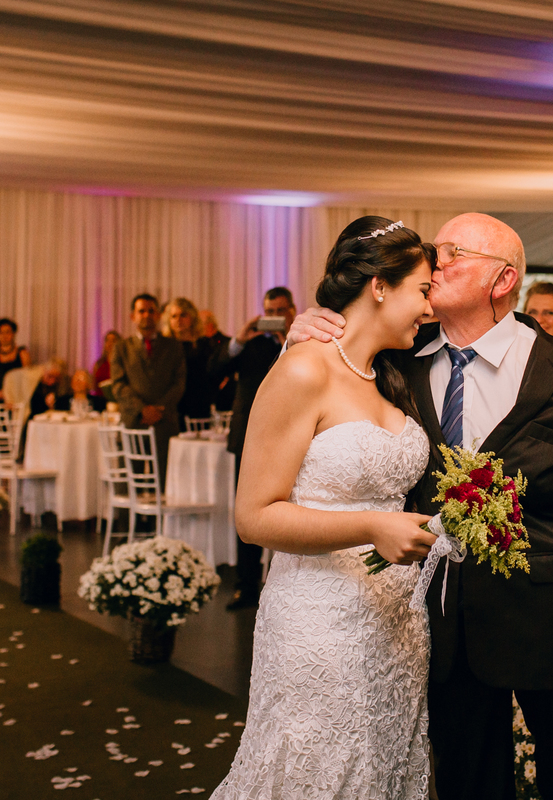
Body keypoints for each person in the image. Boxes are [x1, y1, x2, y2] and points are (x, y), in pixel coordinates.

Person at [290, 212, 553, 800]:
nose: (433, 261)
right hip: (447, 625)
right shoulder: (399, 359)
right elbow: (331, 373)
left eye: (451, 252)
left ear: (501, 280)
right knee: (468, 783)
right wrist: (309, 331)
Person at [213, 218, 438, 799]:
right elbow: (254, 516)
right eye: (422, 290)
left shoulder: (393, 373)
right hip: (319, 623)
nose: (429, 307)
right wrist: (368, 525)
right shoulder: (304, 368)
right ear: (381, 286)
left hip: (397, 627)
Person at [209, 286, 297, 611]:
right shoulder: (250, 344)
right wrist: (238, 340)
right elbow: (212, 372)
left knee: (290, 513)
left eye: (280, 311)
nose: (274, 317)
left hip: (291, 439)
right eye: (269, 312)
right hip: (248, 439)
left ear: (292, 309)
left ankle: (285, 586)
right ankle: (246, 587)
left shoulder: (304, 341)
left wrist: (288, 339)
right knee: (247, 514)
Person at [110, 294, 186, 480]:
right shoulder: (121, 347)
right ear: (132, 316)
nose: (146, 315)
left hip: (165, 422)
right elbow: (118, 385)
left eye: (151, 311)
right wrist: (142, 409)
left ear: (159, 315)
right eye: (141, 311)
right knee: (129, 485)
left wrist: (159, 409)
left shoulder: (173, 346)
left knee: (165, 484)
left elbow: (179, 382)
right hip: (134, 423)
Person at [163, 297, 217, 429]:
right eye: (174, 316)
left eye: (183, 315)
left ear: (192, 317)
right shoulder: (164, 347)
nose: (178, 320)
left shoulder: (204, 344)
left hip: (199, 405)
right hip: (173, 407)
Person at [198, 309, 236, 411]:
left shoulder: (227, 343)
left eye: (199, 323)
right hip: (202, 396)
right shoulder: (197, 344)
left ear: (209, 324)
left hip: (225, 396)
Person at [0, 317, 32, 403]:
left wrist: (10, 393)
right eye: (1, 333)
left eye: (7, 332)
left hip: (16, 397)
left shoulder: (22, 353)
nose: (4, 336)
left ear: (13, 333)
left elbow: (27, 378)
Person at [91, 329, 121, 402]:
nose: (110, 343)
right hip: (100, 400)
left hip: (118, 399)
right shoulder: (99, 364)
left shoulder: (122, 363)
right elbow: (94, 385)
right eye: (107, 340)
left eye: (113, 340)